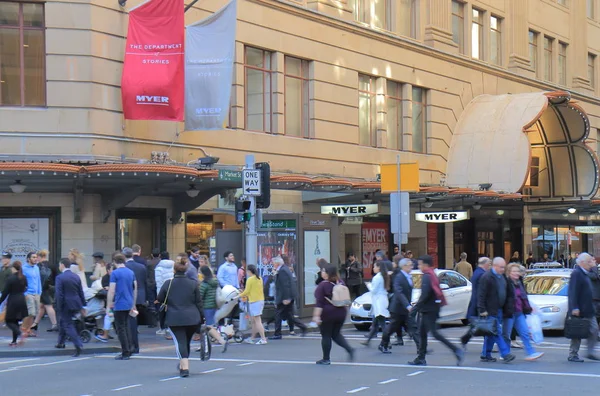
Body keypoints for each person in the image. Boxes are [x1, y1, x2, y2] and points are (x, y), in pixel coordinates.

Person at [408, 255, 464, 366]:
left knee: (435, 333)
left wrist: (415, 309)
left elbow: (424, 295)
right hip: (430, 308)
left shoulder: (427, 276)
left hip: (429, 309)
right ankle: (421, 358)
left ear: (425, 264)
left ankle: (456, 350)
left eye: (419, 264)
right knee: (422, 333)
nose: (418, 266)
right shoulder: (431, 274)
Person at [157, 257, 204, 378]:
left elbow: (160, 298)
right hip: (192, 317)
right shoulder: (193, 283)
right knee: (186, 341)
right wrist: (202, 317)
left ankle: (185, 367)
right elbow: (199, 302)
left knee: (180, 342)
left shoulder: (169, 283)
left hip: (174, 317)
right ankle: (183, 364)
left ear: (174, 271)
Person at [312, 264, 354, 365]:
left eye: (323, 271)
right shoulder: (341, 282)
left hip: (328, 313)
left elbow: (319, 303)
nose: (321, 272)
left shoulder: (323, 285)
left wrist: (316, 316)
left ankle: (326, 358)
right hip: (341, 312)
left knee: (326, 335)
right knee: (335, 334)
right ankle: (349, 349)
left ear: (327, 274)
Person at [478, 257, 516, 363]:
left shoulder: (502, 276)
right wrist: (482, 309)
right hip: (489, 310)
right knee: (496, 332)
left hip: (498, 309)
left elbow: (508, 291)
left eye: (504, 267)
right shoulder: (487, 277)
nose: (503, 269)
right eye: (501, 267)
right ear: (494, 266)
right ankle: (505, 353)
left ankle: (486, 354)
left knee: (491, 333)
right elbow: (481, 295)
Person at [502, 263, 544, 361]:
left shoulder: (519, 282)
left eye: (518, 271)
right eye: (514, 271)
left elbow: (524, 298)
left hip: (519, 312)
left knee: (525, 332)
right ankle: (505, 353)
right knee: (506, 334)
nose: (517, 273)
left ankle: (531, 352)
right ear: (509, 272)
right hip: (510, 312)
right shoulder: (506, 283)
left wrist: (529, 308)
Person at [379, 258, 419, 354]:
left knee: (413, 327)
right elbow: (399, 293)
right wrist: (407, 305)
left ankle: (421, 348)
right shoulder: (399, 277)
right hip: (397, 309)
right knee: (390, 329)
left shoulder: (409, 276)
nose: (412, 267)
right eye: (410, 265)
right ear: (404, 266)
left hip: (406, 309)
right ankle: (383, 344)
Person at [568, 252, 599, 362]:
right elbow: (573, 292)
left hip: (589, 308)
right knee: (577, 332)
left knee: (594, 330)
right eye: (589, 261)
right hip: (580, 309)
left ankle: (590, 352)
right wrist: (574, 307)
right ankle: (573, 354)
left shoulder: (586, 273)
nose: (592, 263)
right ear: (582, 263)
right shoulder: (577, 273)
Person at [107, 253, 137, 360]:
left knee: (121, 329)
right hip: (129, 302)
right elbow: (135, 289)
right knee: (126, 326)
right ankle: (130, 348)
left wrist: (108, 305)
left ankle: (125, 352)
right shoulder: (131, 272)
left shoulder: (115, 273)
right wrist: (133, 304)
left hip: (119, 303)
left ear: (114, 262)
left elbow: (111, 290)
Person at [55, 257, 86, 357]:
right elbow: (80, 291)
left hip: (65, 304)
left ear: (62, 265)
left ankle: (78, 344)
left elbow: (59, 294)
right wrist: (83, 305)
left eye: (60, 265)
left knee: (67, 324)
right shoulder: (76, 276)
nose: (59, 267)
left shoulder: (60, 277)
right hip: (76, 303)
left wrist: (58, 306)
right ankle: (61, 342)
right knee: (63, 321)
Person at [270, 256, 307, 339]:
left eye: (273, 263)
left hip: (285, 297)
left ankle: (277, 333)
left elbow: (285, 285)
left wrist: (286, 298)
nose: (272, 265)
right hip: (288, 296)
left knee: (278, 314)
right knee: (289, 315)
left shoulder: (282, 270)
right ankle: (303, 327)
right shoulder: (284, 269)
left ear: (277, 263)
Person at [460, 257, 491, 351]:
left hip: (476, 303)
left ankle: (465, 339)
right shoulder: (482, 274)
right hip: (479, 304)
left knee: (478, 325)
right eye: (489, 264)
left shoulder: (477, 272)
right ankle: (487, 347)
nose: (490, 266)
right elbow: (482, 292)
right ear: (485, 264)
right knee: (486, 325)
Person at [123, 247, 147, 354]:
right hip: (140, 296)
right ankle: (135, 345)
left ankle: (131, 345)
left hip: (128, 296)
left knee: (127, 322)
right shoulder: (142, 267)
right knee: (133, 321)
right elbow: (145, 281)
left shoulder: (124, 268)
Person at [198, 266, 228, 351]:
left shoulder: (204, 284)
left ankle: (222, 341)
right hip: (213, 306)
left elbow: (200, 296)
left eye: (200, 272)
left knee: (208, 326)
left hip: (206, 307)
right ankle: (204, 345)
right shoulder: (215, 282)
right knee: (206, 326)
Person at [0, 261, 28, 346]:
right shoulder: (23, 277)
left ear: (13, 268)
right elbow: (26, 288)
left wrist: (0, 301)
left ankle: (20, 333)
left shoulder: (11, 278)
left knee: (8, 321)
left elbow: (5, 292)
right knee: (15, 321)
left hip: (13, 300)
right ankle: (14, 341)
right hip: (22, 299)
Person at [362, 261, 390, 346]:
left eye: (374, 266)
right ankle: (368, 340)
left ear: (379, 268)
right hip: (382, 300)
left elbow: (373, 290)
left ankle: (386, 342)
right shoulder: (384, 276)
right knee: (376, 322)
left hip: (378, 302)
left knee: (382, 323)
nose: (373, 268)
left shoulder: (377, 277)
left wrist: (368, 285)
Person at [239, 264, 267, 344]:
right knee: (254, 321)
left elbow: (247, 291)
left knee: (257, 321)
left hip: (254, 301)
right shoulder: (259, 278)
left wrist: (239, 295)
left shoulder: (250, 279)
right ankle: (253, 337)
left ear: (249, 271)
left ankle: (263, 339)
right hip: (260, 300)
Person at [34, 250, 59, 332]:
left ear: (39, 257)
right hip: (51, 288)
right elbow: (57, 276)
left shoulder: (38, 266)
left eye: (36, 257)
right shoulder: (52, 265)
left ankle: (54, 324)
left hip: (43, 288)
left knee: (48, 306)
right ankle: (35, 323)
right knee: (42, 306)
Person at [22, 252, 42, 337]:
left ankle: (28, 329)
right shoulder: (23, 268)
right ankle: (24, 329)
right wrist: (25, 293)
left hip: (36, 293)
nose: (35, 259)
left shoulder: (36, 268)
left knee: (35, 313)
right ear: (28, 259)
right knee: (31, 313)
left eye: (36, 257)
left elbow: (38, 280)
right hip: (28, 293)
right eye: (33, 257)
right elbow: (21, 282)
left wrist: (39, 292)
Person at [154, 251, 174, 336]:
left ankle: (163, 328)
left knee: (162, 310)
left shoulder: (158, 268)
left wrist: (159, 295)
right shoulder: (173, 265)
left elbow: (158, 281)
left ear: (160, 257)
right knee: (171, 309)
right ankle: (170, 327)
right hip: (173, 290)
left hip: (163, 290)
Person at [146, 248, 161, 328]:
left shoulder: (149, 263)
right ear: (159, 255)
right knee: (159, 301)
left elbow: (146, 274)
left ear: (152, 255)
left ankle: (153, 322)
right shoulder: (161, 263)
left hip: (151, 284)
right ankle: (159, 318)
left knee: (151, 303)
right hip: (159, 284)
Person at [0, 251, 14, 323]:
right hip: (1, 291)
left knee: (7, 307)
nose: (4, 260)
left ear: (9, 259)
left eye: (6, 258)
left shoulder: (11, 269)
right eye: (3, 258)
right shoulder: (1, 268)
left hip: (8, 292)